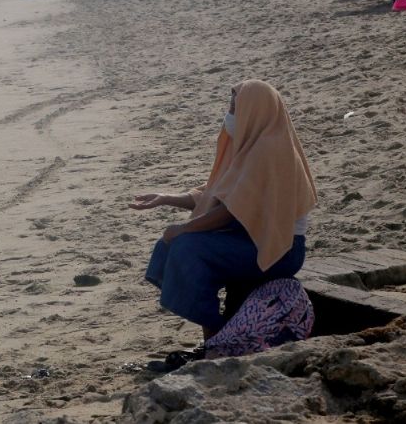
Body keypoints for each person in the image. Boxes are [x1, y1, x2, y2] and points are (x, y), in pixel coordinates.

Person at [132, 80, 316, 346]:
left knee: (188, 247)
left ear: (254, 109)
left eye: (235, 105)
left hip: (280, 249)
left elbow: (231, 211)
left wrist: (183, 229)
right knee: (170, 247)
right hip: (250, 238)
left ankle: (216, 338)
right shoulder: (252, 143)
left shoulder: (270, 149)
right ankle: (217, 334)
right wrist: (166, 199)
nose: (230, 112)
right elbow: (218, 193)